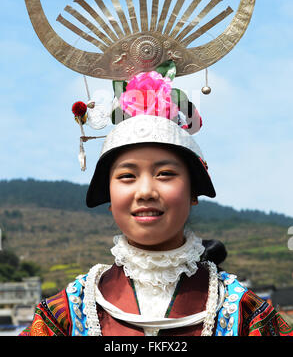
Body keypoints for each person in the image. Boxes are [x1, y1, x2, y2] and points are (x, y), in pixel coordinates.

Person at [19, 114, 293, 337]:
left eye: (165, 174)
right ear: (110, 198)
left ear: (193, 193)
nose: (146, 191)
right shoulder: (67, 313)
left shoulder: (242, 310)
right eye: (127, 176)